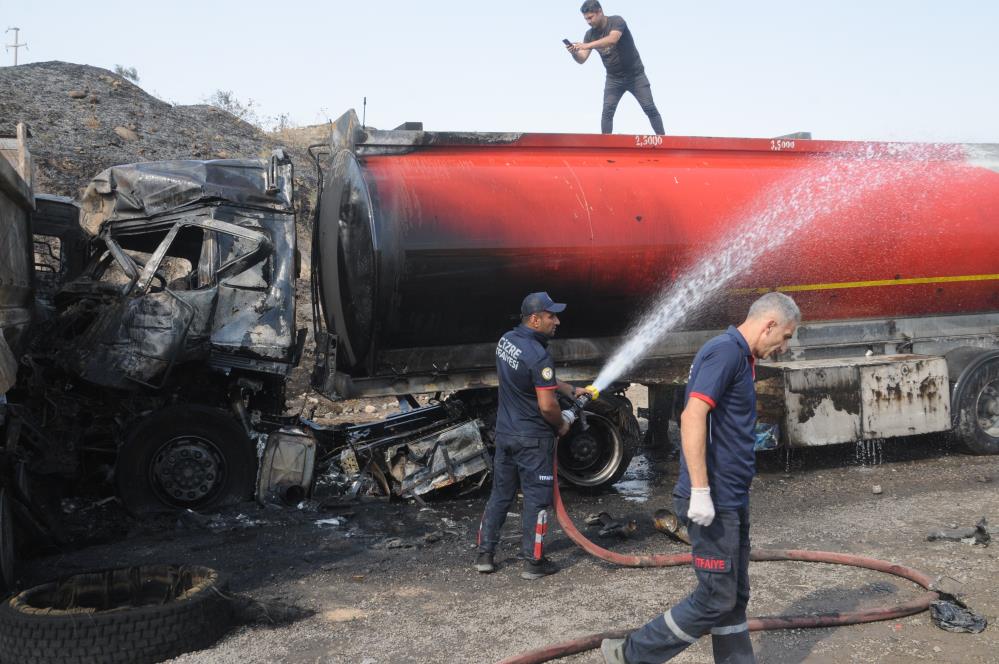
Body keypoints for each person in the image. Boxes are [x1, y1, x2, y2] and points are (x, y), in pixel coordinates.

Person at [602, 292, 801, 664]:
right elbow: (693, 416)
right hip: (715, 500)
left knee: (734, 595)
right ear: (769, 324)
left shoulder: (741, 356)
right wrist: (700, 491)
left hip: (732, 497)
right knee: (716, 597)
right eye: (786, 336)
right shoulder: (725, 352)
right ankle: (631, 654)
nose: (785, 346)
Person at [475, 292, 588, 580]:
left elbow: (534, 379)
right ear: (535, 319)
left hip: (506, 434)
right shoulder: (539, 355)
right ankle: (534, 563)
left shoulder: (507, 341)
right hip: (533, 440)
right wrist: (562, 423)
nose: (557, 321)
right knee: (537, 501)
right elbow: (547, 405)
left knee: (500, 494)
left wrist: (569, 389)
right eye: (552, 316)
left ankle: (485, 555)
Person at [567, 0, 665, 135]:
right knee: (607, 111)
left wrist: (586, 45)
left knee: (649, 107)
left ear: (599, 12)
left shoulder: (616, 21)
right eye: (586, 19)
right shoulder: (590, 35)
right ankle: (605, 146)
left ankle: (662, 140)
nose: (589, 22)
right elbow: (582, 59)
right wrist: (574, 53)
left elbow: (612, 39)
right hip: (613, 79)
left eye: (591, 17)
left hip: (636, 76)